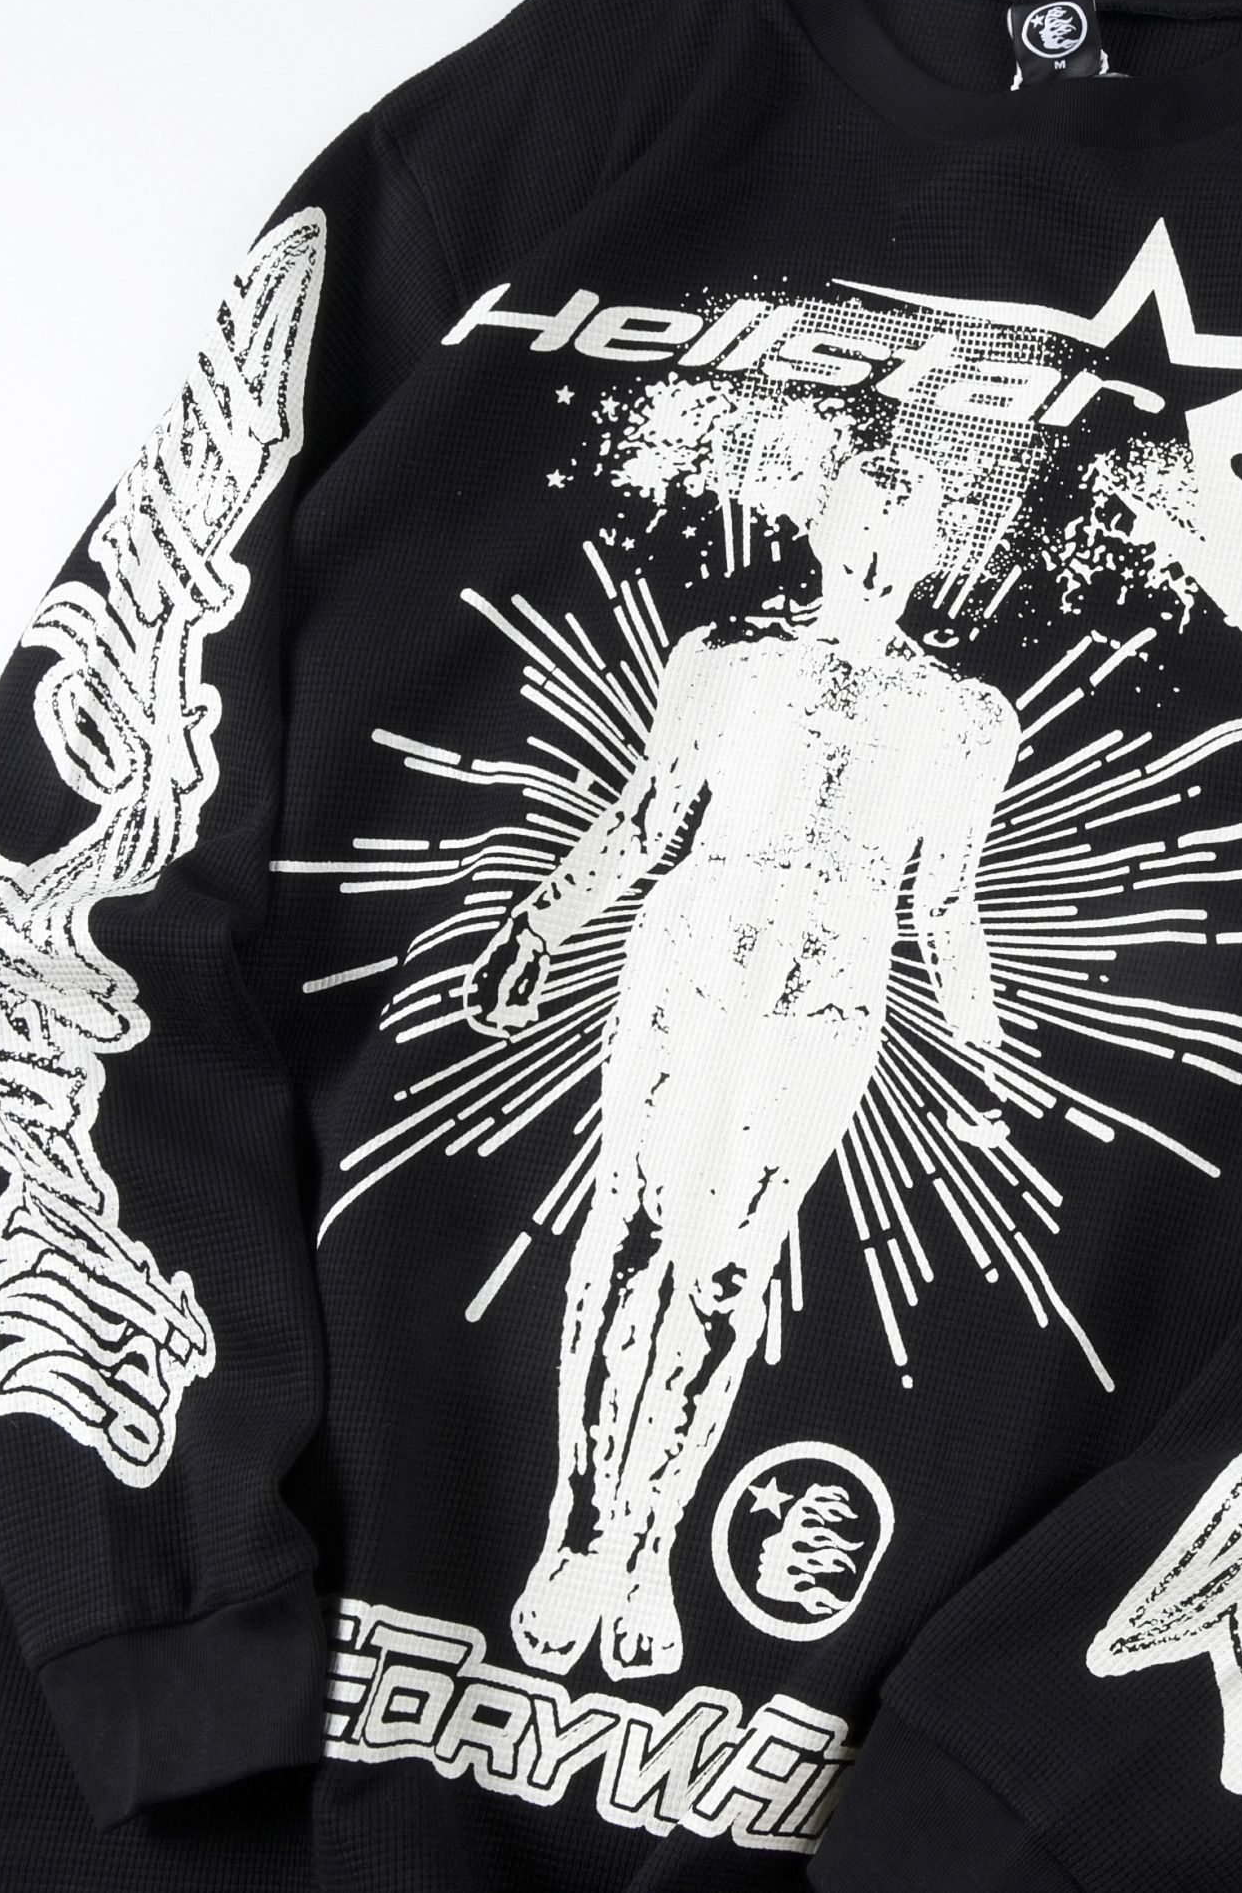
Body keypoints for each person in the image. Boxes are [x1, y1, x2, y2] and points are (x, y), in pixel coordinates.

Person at [461, 446, 1020, 1677]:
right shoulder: (726, 658)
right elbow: (651, 817)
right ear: (821, 522)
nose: (876, 544)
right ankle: (579, 1529)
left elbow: (946, 898)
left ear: (934, 548)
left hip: (829, 997)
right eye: (861, 515)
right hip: (691, 964)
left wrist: (976, 1052)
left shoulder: (967, 717)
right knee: (633, 1236)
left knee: (725, 1271)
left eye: (904, 524)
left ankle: (648, 1545)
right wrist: (538, 924)